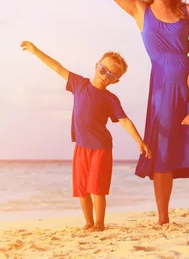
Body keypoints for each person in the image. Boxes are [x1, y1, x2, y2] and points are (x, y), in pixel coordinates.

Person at [59, 0, 189, 225]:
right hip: (162, 90)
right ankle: (163, 219)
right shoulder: (140, 10)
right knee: (162, 154)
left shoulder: (187, 12)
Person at [20, 40, 151, 231]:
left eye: (111, 76)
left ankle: (99, 223)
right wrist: (35, 51)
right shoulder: (79, 84)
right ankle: (88, 222)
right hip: (81, 146)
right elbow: (57, 67)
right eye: (103, 70)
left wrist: (139, 141)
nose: (105, 76)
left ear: (116, 81)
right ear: (96, 66)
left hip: (101, 148)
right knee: (81, 188)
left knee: (97, 187)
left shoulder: (110, 99)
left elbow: (124, 120)